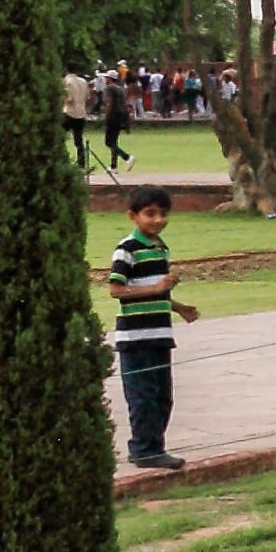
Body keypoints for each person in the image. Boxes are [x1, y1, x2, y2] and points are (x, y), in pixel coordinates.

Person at [92, 185, 197, 472]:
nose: (158, 220)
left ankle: (154, 447)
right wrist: (157, 286)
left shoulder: (160, 247)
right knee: (143, 396)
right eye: (150, 214)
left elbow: (155, 292)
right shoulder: (127, 250)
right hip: (136, 338)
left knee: (163, 397)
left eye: (163, 214)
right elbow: (116, 289)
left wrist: (178, 306)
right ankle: (144, 450)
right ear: (132, 216)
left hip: (160, 336)